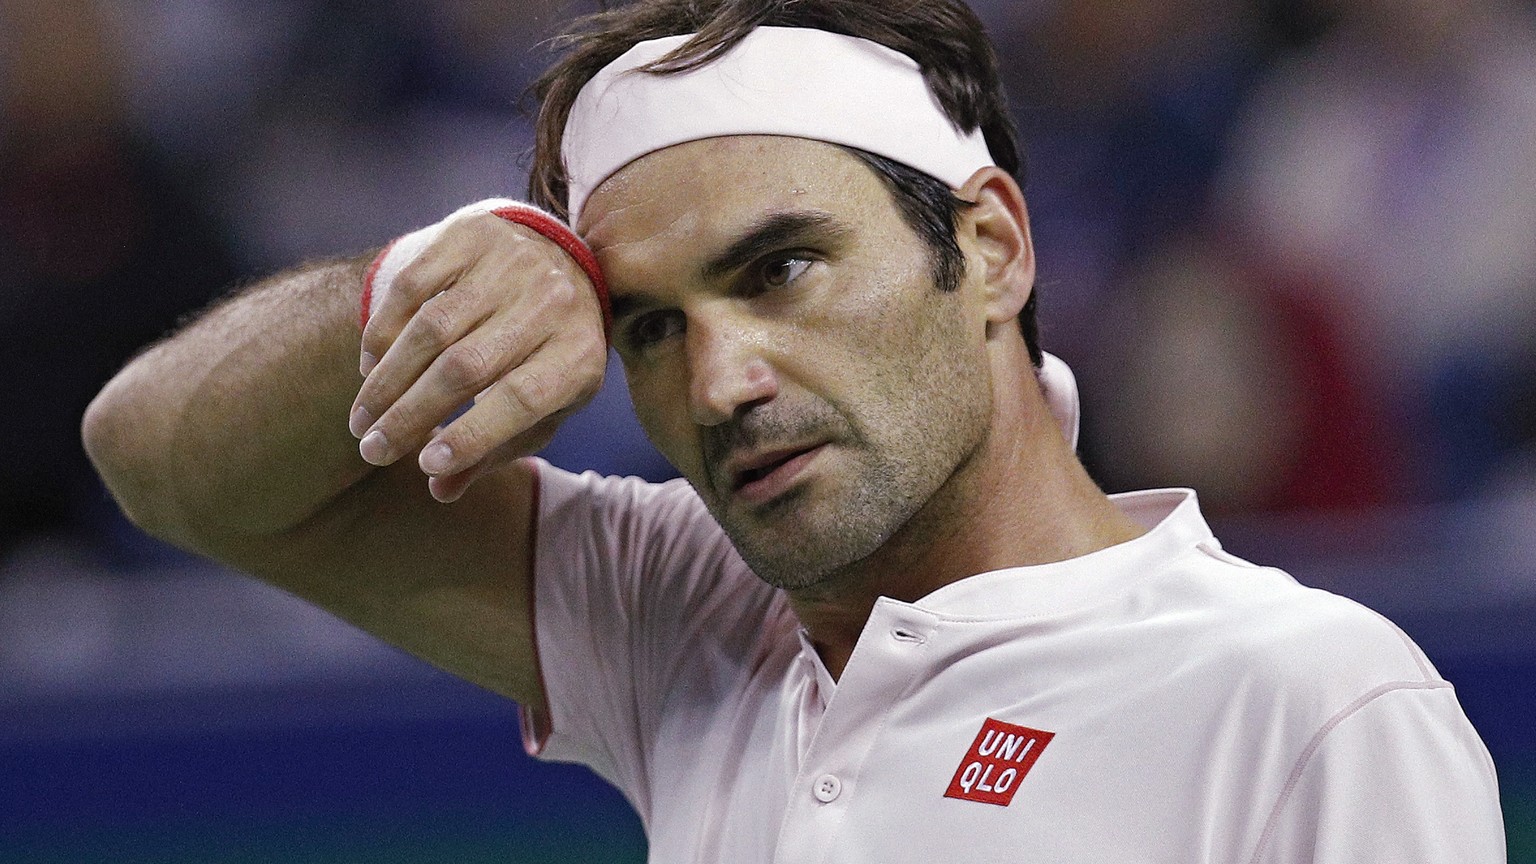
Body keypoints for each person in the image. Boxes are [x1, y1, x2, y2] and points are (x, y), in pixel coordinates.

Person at [82, 0, 1505, 860]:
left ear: (993, 248)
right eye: (648, 325)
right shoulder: (693, 609)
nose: (720, 383)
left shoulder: (1312, 699)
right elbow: (160, 460)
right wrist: (418, 287)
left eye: (778, 270)